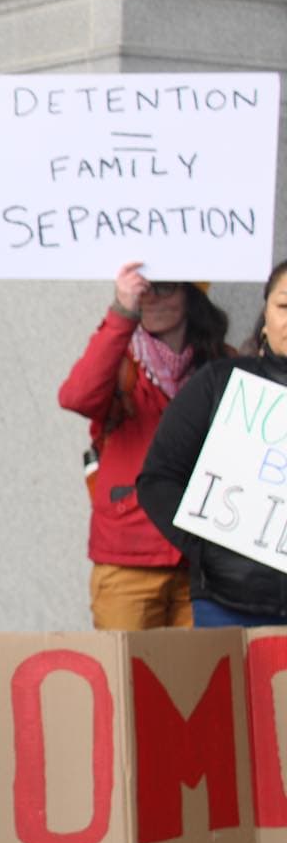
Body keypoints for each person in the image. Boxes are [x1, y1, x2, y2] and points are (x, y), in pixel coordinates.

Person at [61, 262, 230, 629]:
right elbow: (76, 397)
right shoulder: (119, 358)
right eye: (144, 286)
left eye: (164, 285)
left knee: (197, 667)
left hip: (199, 558)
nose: (150, 296)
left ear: (192, 295)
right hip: (128, 555)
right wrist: (122, 311)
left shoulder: (222, 363)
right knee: (126, 665)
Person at [139, 259, 287, 628]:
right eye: (284, 306)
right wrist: (205, 547)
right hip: (226, 604)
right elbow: (159, 479)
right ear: (265, 317)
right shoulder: (219, 383)